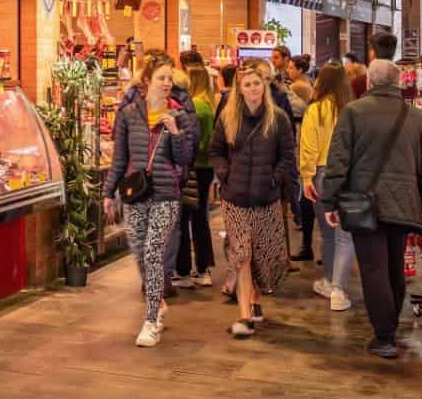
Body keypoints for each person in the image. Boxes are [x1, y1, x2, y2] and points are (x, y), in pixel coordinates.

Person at [320, 59, 422, 359]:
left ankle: (384, 336)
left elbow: (339, 160)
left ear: (371, 83)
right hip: (405, 203)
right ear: (398, 82)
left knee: (374, 269)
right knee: (393, 266)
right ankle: (390, 325)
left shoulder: (353, 113)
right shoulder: (417, 117)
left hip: (364, 202)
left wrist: (329, 200)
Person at [101, 54, 197, 346]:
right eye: (161, 78)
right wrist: (108, 192)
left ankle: (151, 319)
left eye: (170, 79)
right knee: (141, 252)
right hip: (135, 192)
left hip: (167, 193)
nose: (167, 84)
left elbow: (186, 159)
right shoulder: (129, 114)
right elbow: (120, 157)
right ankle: (157, 299)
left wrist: (176, 132)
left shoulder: (180, 115)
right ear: (147, 82)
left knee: (154, 252)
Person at [209, 59, 296, 338]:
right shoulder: (228, 116)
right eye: (247, 84)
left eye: (257, 83)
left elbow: (287, 156)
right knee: (242, 255)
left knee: (263, 256)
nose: (253, 88)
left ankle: (254, 299)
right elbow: (216, 150)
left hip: (265, 198)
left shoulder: (278, 118)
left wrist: (274, 179)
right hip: (234, 198)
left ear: (265, 85)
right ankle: (245, 316)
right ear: (240, 89)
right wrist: (224, 173)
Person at [299, 61, 356, 312]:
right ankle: (337, 289)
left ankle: (331, 281)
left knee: (327, 233)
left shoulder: (316, 110)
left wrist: (306, 177)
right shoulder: (353, 110)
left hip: (321, 174)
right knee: (346, 235)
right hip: (348, 175)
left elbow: (308, 146)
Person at [172, 62, 218, 289]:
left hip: (193, 167)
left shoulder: (195, 106)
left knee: (184, 217)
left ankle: (185, 270)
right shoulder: (208, 103)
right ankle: (203, 267)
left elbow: (194, 141)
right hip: (204, 167)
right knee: (200, 218)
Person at [285, 67, 315, 262]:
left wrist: (307, 172)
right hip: (326, 168)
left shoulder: (314, 109)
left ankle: (307, 246)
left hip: (314, 168)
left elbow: (309, 143)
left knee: (308, 204)